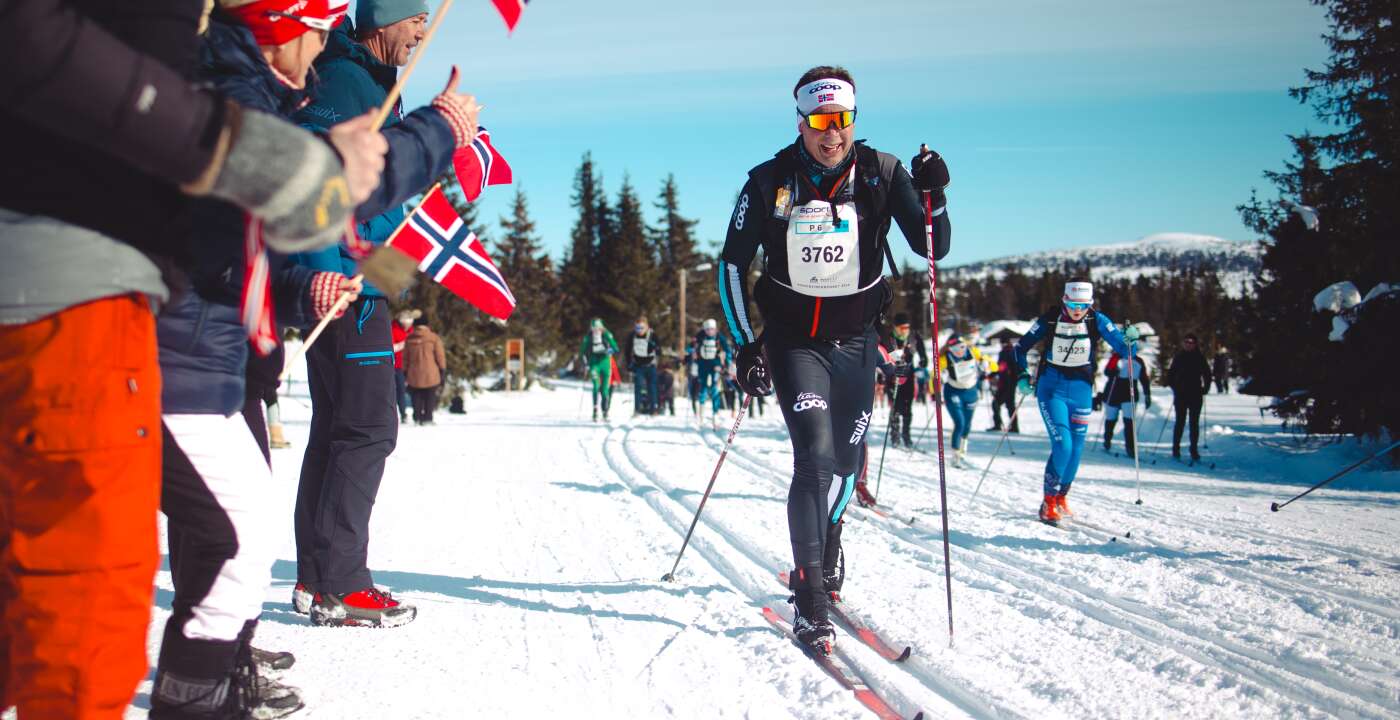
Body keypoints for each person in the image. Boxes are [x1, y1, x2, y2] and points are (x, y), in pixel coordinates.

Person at [0, 3, 385, 713]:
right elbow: (29, 34)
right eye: (314, 20)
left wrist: (294, 253)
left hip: (114, 301)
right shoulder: (232, 80)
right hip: (72, 297)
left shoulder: (231, 66)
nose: (325, 35)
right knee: (86, 621)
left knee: (82, 624)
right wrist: (250, 156)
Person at [718, 66, 951, 654]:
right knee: (814, 457)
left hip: (856, 343)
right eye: (820, 122)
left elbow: (933, 245)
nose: (832, 135)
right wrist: (747, 344)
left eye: (841, 121)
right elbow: (730, 264)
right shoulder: (768, 181)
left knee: (847, 464)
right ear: (802, 122)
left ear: (852, 120)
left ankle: (832, 535)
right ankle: (809, 593)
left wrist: (935, 197)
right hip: (794, 341)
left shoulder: (881, 173)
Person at [287, 0, 477, 629]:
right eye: (414, 17)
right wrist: (325, 270)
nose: (423, 29)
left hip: (362, 286)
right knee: (369, 429)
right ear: (380, 19)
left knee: (338, 429)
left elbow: (382, 204)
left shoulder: (373, 82)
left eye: (427, 18)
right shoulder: (345, 82)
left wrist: (390, 279)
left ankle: (318, 580)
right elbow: (320, 183)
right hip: (343, 288)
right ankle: (341, 584)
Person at [1013, 281, 1135, 525]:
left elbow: (1125, 350)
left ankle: (1060, 497)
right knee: (1063, 445)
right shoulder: (1049, 318)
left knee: (1077, 448)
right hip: (1052, 388)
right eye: (1071, 304)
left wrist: (1131, 341)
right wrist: (1022, 375)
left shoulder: (1097, 320)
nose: (1076, 310)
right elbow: (1020, 347)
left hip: (1081, 390)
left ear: (1090, 304)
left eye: (1082, 305)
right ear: (1064, 300)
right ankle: (1047, 502)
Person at [939, 334, 991, 467]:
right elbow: (934, 373)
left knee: (967, 425)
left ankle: (962, 453)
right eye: (955, 348)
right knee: (960, 423)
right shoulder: (945, 358)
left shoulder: (973, 351)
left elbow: (993, 365)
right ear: (949, 349)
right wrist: (936, 386)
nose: (959, 350)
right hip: (953, 392)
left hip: (971, 392)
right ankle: (955, 455)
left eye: (962, 347)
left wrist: (986, 363)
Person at [880, 313, 928, 447]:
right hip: (892, 376)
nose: (905, 330)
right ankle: (895, 435)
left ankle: (906, 435)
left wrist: (924, 361)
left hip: (908, 375)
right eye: (901, 327)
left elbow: (922, 353)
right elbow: (880, 355)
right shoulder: (888, 338)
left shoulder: (914, 336)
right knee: (895, 407)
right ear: (895, 327)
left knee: (907, 408)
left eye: (907, 327)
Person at [1167, 334, 1213, 461]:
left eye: (1191, 342)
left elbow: (1207, 374)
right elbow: (1170, 374)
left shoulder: (1200, 357)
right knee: (1180, 422)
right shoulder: (1179, 357)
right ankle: (1175, 449)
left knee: (1194, 423)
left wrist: (1206, 388)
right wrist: (1174, 387)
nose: (1188, 344)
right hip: (1181, 394)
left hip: (1195, 394)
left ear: (1195, 344)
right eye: (1186, 342)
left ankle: (1194, 450)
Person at [1101, 351, 1151, 458]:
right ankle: (1107, 440)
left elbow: (1144, 379)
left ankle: (1130, 448)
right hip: (1113, 391)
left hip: (1130, 393)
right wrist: (1113, 371)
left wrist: (1147, 394)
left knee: (1129, 421)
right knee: (1111, 419)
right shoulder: (1116, 357)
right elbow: (1106, 372)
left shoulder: (1138, 361)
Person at [690, 319, 733, 428]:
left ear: (715, 329)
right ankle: (701, 415)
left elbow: (727, 349)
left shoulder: (719, 336)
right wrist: (692, 354)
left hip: (715, 364)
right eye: (708, 329)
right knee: (703, 388)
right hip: (703, 364)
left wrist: (727, 362)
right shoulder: (700, 335)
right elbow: (691, 347)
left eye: (712, 329)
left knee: (715, 388)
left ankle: (715, 414)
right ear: (704, 329)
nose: (710, 331)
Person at [404, 320, 447, 425]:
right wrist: (442, 369)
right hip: (431, 372)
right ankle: (428, 418)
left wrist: (405, 371)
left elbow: (405, 358)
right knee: (430, 396)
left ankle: (417, 417)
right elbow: (440, 356)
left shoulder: (409, 339)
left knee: (416, 395)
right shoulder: (433, 338)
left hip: (414, 373)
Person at [580, 318, 619, 421]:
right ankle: (595, 410)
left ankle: (605, 411)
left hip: (606, 363)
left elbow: (616, 348)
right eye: (594, 328)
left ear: (602, 328)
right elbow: (582, 352)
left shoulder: (607, 335)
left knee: (605, 388)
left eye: (598, 328)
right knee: (596, 386)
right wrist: (585, 363)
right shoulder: (588, 337)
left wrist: (609, 350)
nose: (596, 330)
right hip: (594, 364)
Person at [627, 316, 661, 415]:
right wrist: (629, 364)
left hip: (651, 365)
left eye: (642, 328)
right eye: (637, 328)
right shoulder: (632, 336)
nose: (639, 330)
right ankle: (637, 409)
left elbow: (659, 350)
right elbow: (628, 350)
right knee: (638, 387)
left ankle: (653, 408)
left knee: (652, 387)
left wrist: (655, 347)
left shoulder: (652, 335)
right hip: (638, 365)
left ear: (647, 327)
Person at [392, 309, 421, 422]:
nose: (407, 326)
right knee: (400, 390)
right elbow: (391, 348)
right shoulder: (392, 329)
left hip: (412, 366)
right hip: (397, 366)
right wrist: (404, 345)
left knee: (415, 389)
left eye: (409, 323)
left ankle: (417, 413)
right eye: (405, 323)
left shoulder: (413, 331)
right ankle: (403, 414)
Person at [989, 336, 1021, 432]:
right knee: (997, 404)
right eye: (1002, 343)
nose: (1003, 345)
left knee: (1008, 405)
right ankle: (999, 425)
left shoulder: (1013, 352)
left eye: (1005, 343)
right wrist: (991, 374)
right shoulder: (1002, 353)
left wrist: (1015, 380)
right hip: (1003, 383)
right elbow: (1000, 368)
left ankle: (1013, 427)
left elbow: (1016, 368)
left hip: (1010, 383)